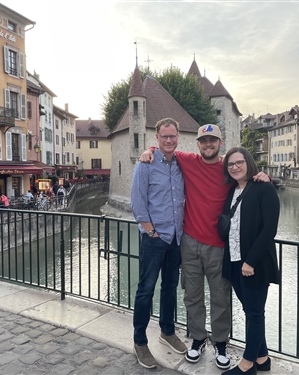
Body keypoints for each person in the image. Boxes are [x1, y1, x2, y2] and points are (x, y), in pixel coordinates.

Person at [140, 124, 270, 369]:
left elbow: (249, 178)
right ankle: (198, 339)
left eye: (213, 140)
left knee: (220, 296)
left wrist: (264, 176)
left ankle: (220, 343)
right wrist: (149, 149)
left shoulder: (229, 168)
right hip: (189, 241)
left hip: (219, 246)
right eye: (203, 141)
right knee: (192, 294)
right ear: (197, 144)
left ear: (220, 143)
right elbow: (165, 148)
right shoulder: (188, 160)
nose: (208, 144)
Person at [131, 118, 187, 369]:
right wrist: (150, 232)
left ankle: (166, 331)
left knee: (170, 288)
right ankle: (140, 341)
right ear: (157, 138)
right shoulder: (145, 165)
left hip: (176, 237)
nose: (168, 140)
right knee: (146, 289)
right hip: (155, 238)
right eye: (164, 136)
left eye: (172, 136)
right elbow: (138, 203)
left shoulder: (181, 164)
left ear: (178, 137)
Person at [221, 147, 280, 375]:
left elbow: (269, 229)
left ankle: (247, 365)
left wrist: (251, 261)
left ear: (249, 162)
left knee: (255, 314)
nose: (235, 167)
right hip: (234, 262)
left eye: (239, 162)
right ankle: (262, 359)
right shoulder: (232, 191)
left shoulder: (264, 188)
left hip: (254, 264)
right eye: (230, 164)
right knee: (250, 310)